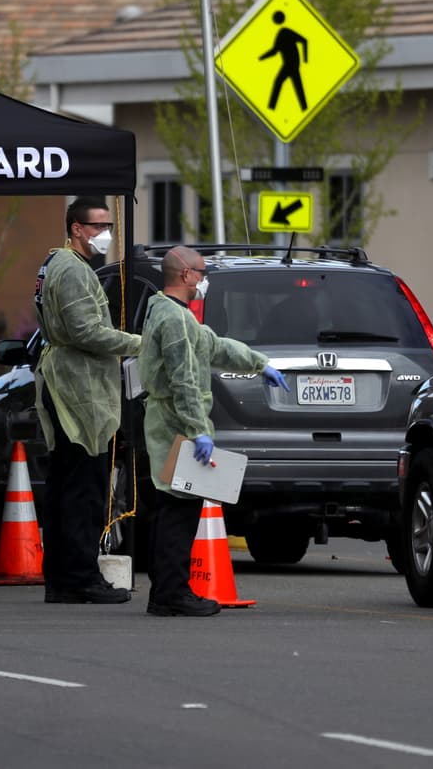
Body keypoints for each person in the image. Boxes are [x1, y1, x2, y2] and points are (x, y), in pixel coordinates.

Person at [138, 246, 290, 616]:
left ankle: (166, 590)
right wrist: (196, 430)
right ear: (185, 274)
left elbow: (214, 346)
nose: (204, 280)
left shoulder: (171, 314)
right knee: (179, 510)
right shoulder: (175, 320)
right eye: (202, 273)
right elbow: (185, 381)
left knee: (170, 508)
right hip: (176, 424)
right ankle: (171, 594)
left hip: (169, 422)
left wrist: (259, 364)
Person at [33, 197, 142, 604]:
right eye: (97, 226)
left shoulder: (55, 264)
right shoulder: (73, 270)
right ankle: (80, 578)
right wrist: (140, 343)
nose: (105, 234)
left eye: (108, 226)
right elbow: (87, 332)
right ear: (76, 228)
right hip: (78, 389)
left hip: (69, 382)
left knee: (66, 485)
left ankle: (63, 578)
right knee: (84, 488)